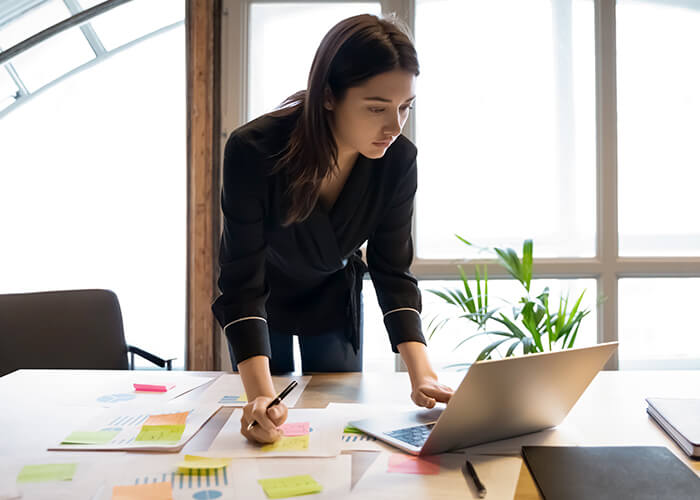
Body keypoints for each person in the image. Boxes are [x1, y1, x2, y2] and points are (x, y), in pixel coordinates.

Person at [212, 13, 453, 445]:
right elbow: (241, 282)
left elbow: (392, 270)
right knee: (269, 420)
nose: (395, 126)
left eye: (405, 107)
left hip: (332, 295)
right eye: (377, 107)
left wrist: (424, 375)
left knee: (335, 425)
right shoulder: (253, 150)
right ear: (328, 96)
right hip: (262, 298)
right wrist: (261, 404)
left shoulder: (398, 161)